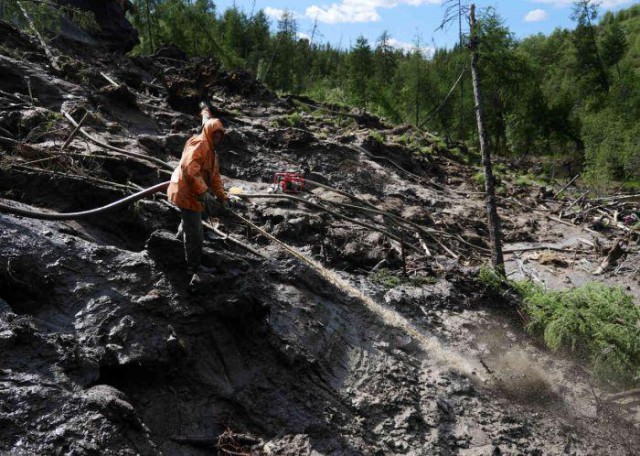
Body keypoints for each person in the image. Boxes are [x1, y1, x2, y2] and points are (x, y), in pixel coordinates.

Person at [167, 105, 229, 285]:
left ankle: (176, 247)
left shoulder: (212, 153)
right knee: (195, 233)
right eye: (215, 134)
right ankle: (193, 267)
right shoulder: (200, 144)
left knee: (188, 224)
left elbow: (215, 177)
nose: (217, 137)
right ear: (209, 132)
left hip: (194, 194)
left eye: (220, 135)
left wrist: (222, 197)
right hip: (186, 192)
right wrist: (203, 193)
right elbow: (189, 169)